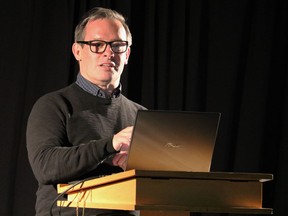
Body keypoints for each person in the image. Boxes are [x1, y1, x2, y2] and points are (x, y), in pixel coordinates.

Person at [26, 7, 146, 216]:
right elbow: (45, 166)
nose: (109, 52)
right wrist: (110, 145)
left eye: (117, 45)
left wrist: (137, 169)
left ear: (126, 54)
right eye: (97, 45)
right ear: (77, 51)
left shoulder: (141, 115)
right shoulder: (54, 105)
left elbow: (155, 187)